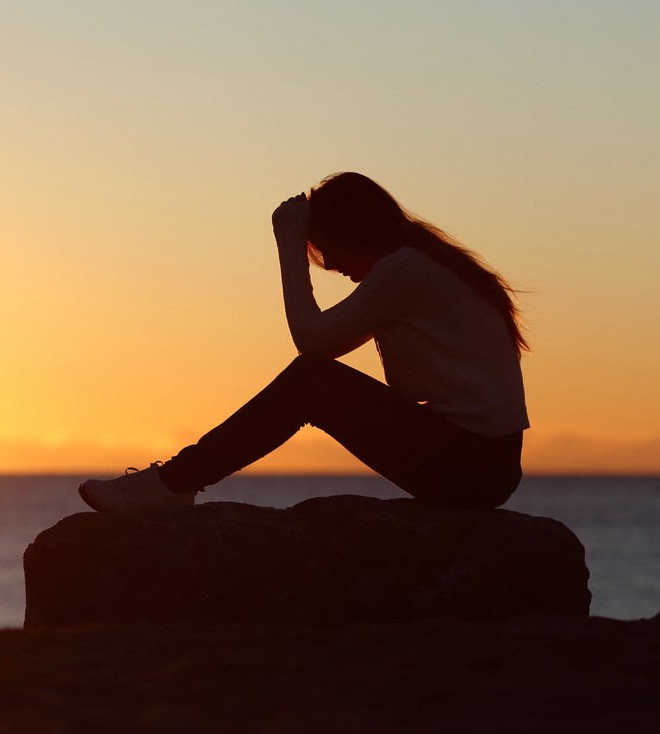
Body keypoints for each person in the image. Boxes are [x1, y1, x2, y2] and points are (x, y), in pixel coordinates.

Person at [79, 172, 529, 512]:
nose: (329, 264)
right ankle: (177, 481)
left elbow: (311, 344)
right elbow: (326, 348)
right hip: (482, 464)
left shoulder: (405, 269)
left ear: (354, 231)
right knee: (314, 378)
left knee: (311, 380)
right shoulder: (422, 265)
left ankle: (174, 483)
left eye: (327, 247)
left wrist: (289, 244)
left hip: (471, 465)